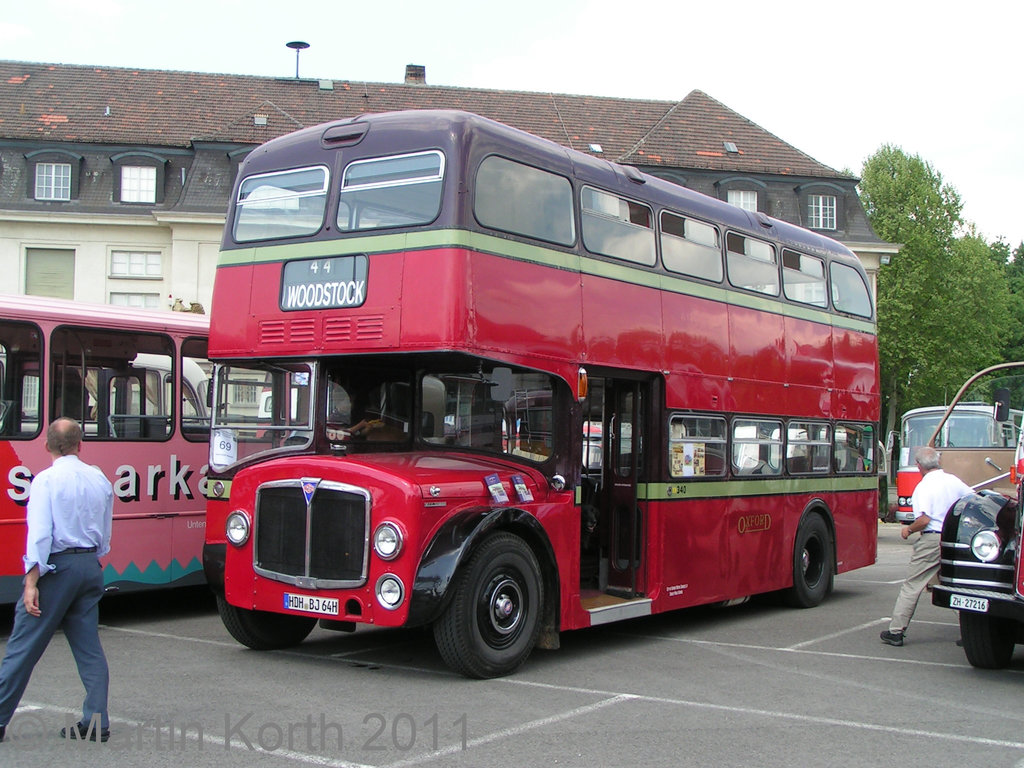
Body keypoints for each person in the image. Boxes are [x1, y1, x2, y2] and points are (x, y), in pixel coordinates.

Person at [0, 418, 114, 744]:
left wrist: (31, 581)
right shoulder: (99, 479)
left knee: (23, 647)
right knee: (88, 647)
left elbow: (39, 535)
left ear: (47, 445)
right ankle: (96, 721)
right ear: (80, 444)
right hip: (89, 564)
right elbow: (105, 534)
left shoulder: (45, 481)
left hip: (57, 567)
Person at [880, 445, 972, 647]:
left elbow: (924, 519)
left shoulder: (923, 487)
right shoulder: (953, 481)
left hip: (932, 539)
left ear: (918, 465)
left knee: (912, 585)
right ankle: (971, 630)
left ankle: (896, 630)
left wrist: (908, 530)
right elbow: (972, 498)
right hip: (954, 539)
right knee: (953, 585)